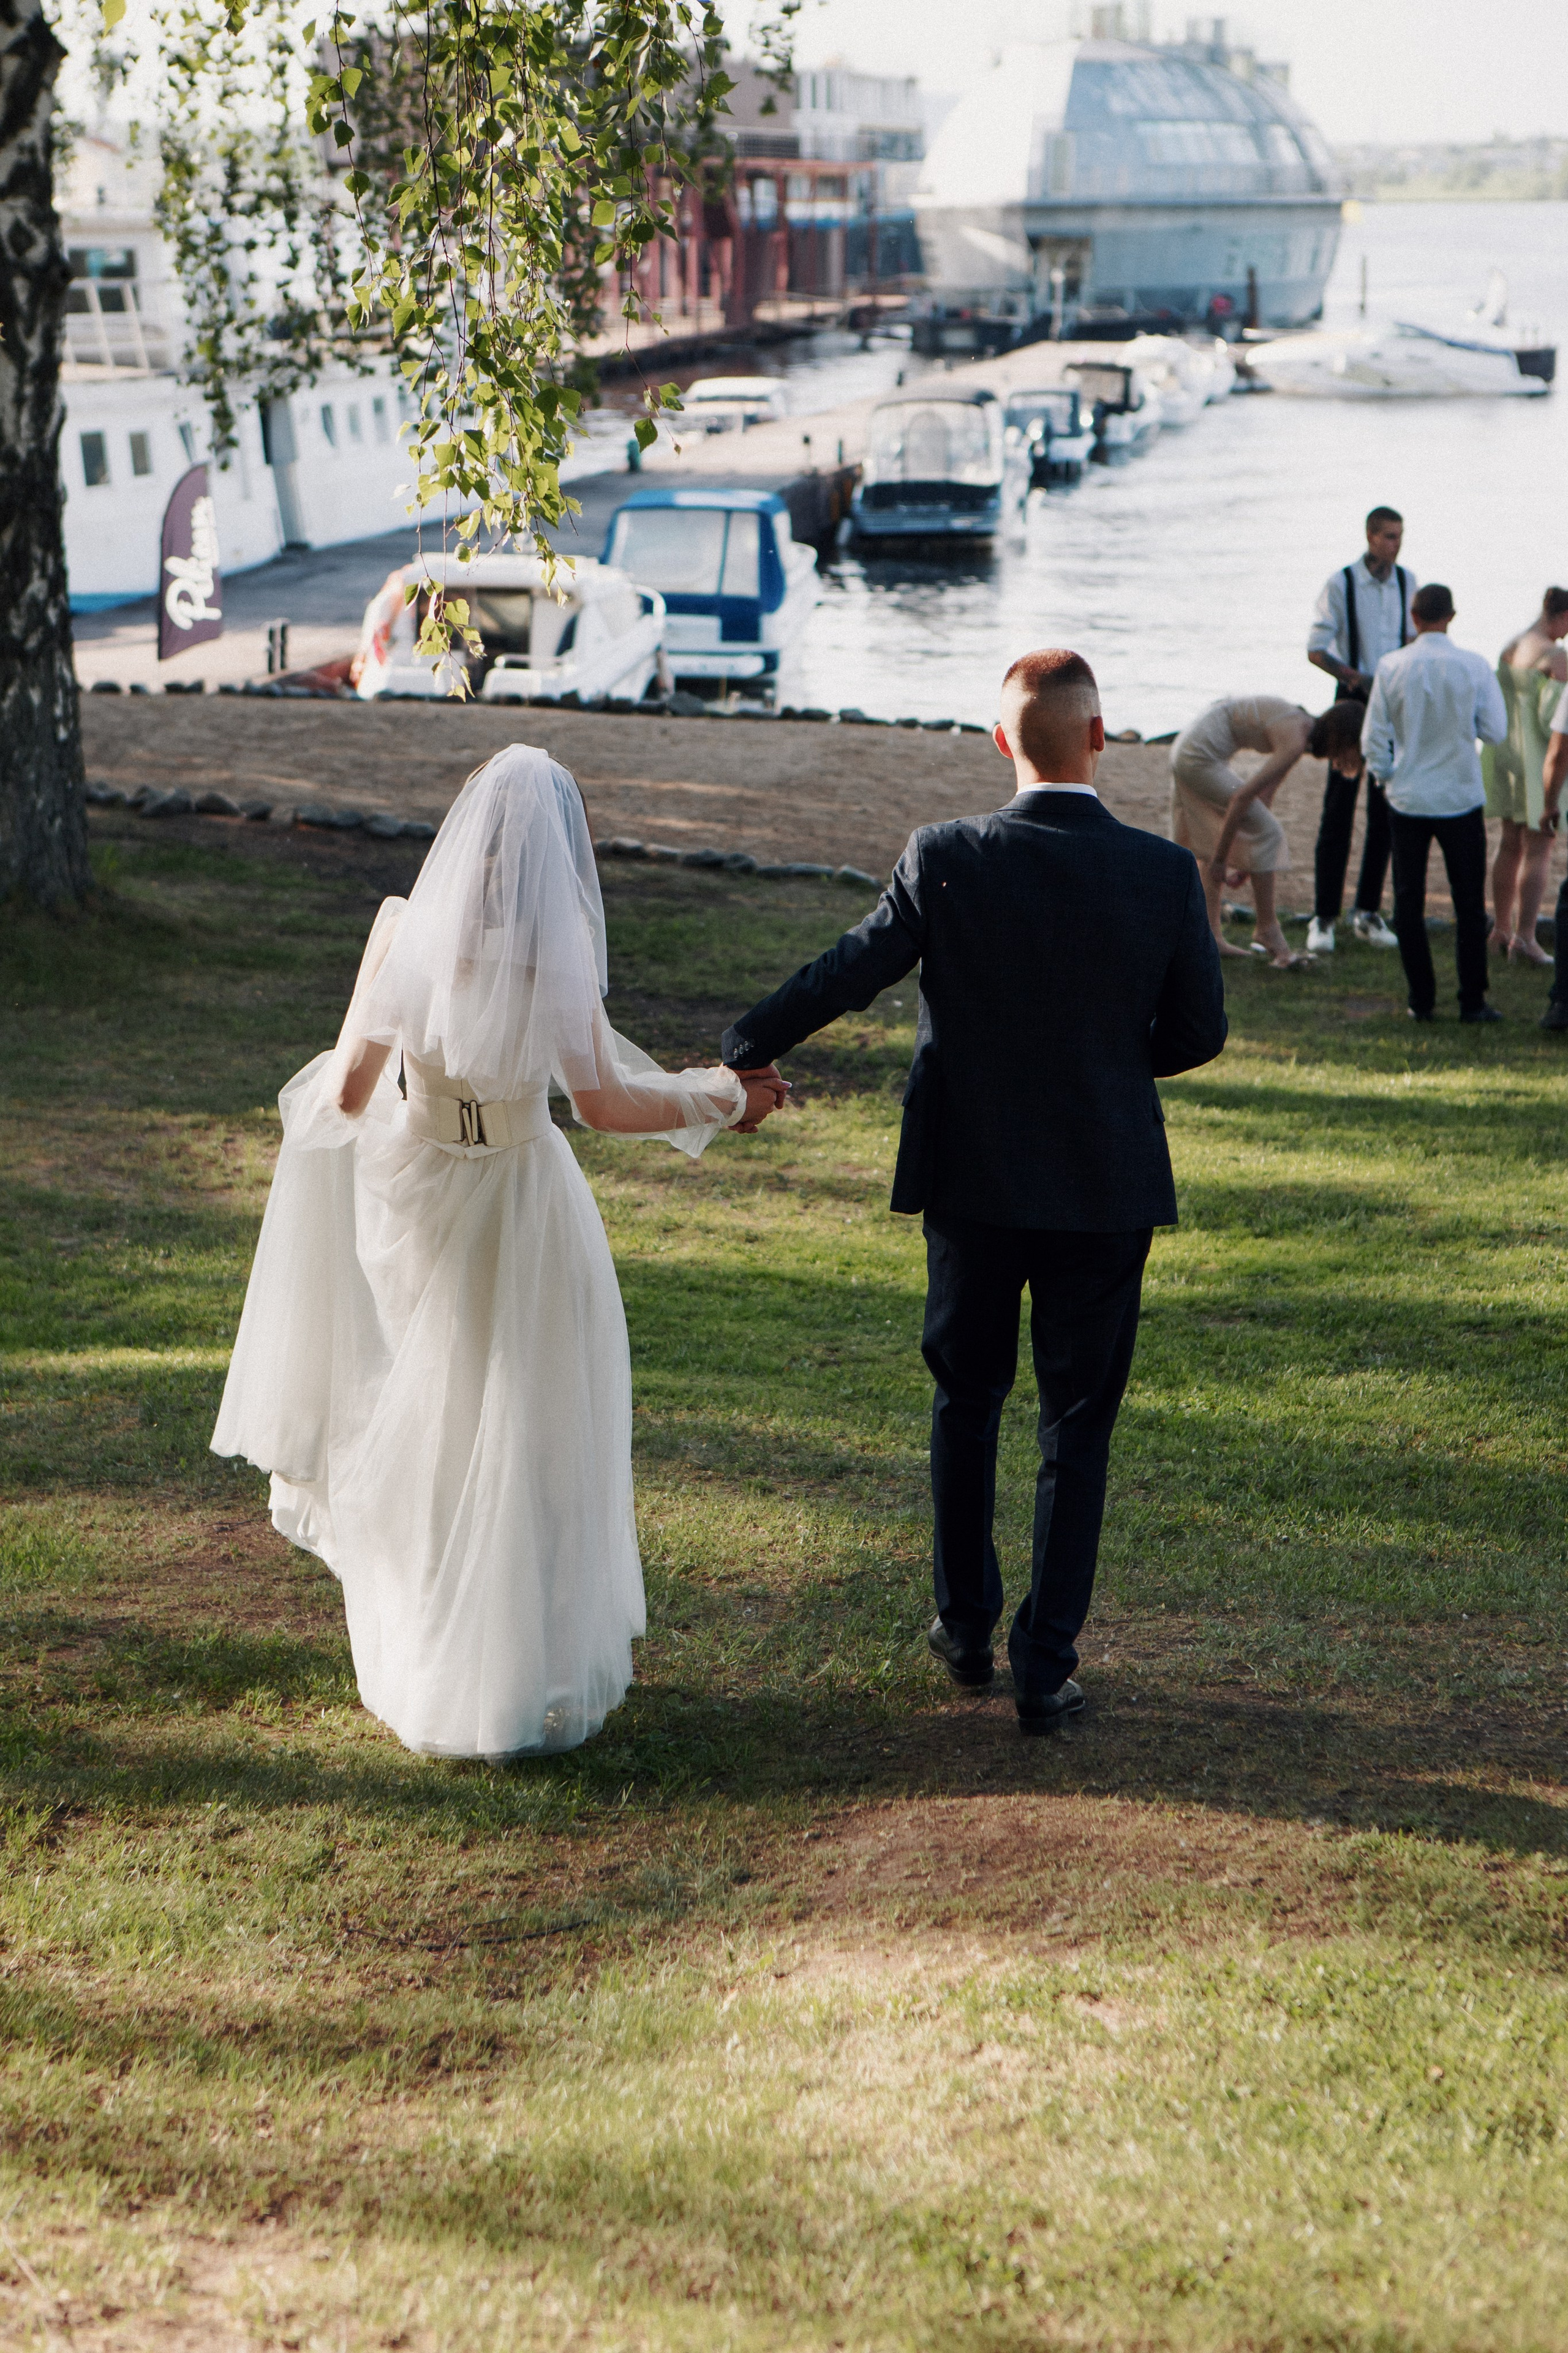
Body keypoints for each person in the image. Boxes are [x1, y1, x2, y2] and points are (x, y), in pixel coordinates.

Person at [210, 746, 785, 1759]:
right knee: (532, 1430)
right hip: (523, 1197)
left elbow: (347, 1094)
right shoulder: (553, 949)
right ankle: (516, 1675)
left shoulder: (400, 927)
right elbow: (603, 1103)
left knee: (431, 1426)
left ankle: (436, 1667)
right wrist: (723, 1097)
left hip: (418, 1195)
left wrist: (408, 1120)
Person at [722, 651, 1227, 1736]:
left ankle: (964, 1628)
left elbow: (853, 967)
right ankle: (1046, 1665)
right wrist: (1104, 1067)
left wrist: (746, 1043)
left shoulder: (946, 854)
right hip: (1103, 1178)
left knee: (967, 1398)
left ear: (1003, 742)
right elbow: (1200, 1031)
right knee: (1076, 1424)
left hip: (973, 1175)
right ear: (1100, 736)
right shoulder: (1162, 872)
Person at [1361, 584, 1509, 1024]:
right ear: (1452, 616)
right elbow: (1495, 730)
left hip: (1408, 796)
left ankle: (1421, 1000)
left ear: (1414, 617)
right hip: (1460, 795)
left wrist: (1386, 775)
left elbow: (1374, 736)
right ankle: (1472, 1000)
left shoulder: (1391, 665)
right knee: (1469, 903)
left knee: (1408, 902)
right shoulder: (1474, 665)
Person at [1305, 505, 1414, 953]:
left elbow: (1413, 640)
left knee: (1384, 812)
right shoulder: (1342, 583)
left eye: (1399, 536)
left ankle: (1367, 911)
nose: (1395, 544)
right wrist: (1355, 677)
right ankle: (1324, 916)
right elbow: (1316, 649)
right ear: (1370, 536)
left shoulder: (1407, 581)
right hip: (1351, 702)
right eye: (1388, 536)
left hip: (1391, 703)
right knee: (1338, 811)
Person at [1169, 695, 1314, 967]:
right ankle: (1267, 929)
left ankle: (1211, 938)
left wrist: (1250, 862)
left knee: (1225, 837)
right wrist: (1222, 860)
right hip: (1196, 755)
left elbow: (1265, 796)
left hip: (1188, 746)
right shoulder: (1297, 738)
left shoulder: (1298, 727)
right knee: (1270, 832)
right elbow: (1242, 798)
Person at [1482, 589, 1568, 965]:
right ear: (1562, 616)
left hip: (1507, 755)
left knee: (1509, 844)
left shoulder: (1512, 645)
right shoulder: (1556, 655)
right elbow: (1553, 717)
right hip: (1537, 759)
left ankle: (1501, 928)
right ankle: (1526, 937)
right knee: (1539, 847)